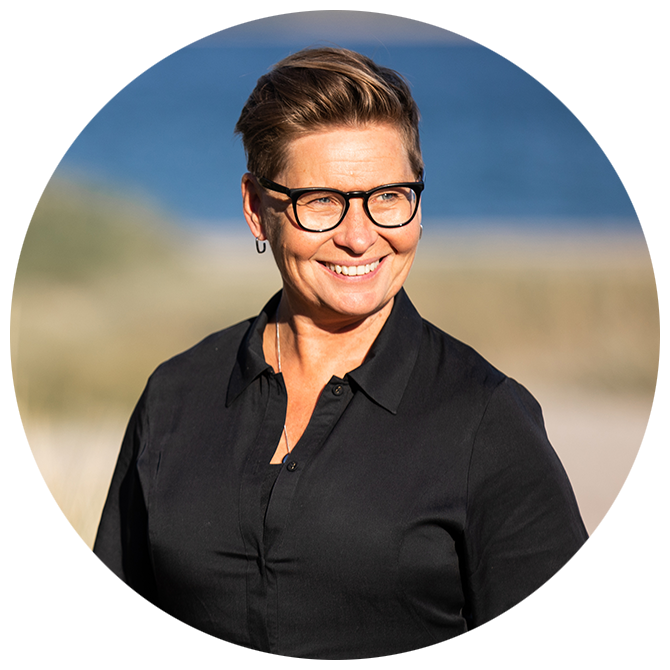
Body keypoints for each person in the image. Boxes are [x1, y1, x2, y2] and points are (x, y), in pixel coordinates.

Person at [60, 46, 629, 660]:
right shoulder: (177, 394)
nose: (360, 236)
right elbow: (113, 628)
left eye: (388, 196)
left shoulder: (483, 417)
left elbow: (579, 651)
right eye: (321, 201)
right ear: (257, 209)